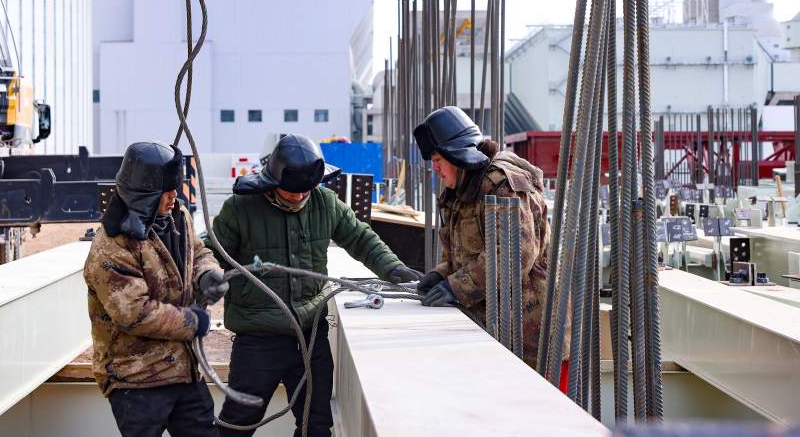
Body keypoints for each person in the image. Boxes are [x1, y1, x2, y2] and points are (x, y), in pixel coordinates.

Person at [207, 134, 420, 437]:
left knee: (316, 426)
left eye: (305, 192)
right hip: (257, 340)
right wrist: (207, 276)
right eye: (291, 192)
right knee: (236, 425)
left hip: (310, 338)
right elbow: (210, 252)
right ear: (272, 180)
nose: (298, 198)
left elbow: (360, 238)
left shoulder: (325, 203)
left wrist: (394, 268)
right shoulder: (240, 209)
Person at [412, 106, 569, 387]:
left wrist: (455, 287)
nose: (434, 168)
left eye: (437, 160)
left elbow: (514, 256)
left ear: (456, 155)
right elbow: (463, 255)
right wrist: (440, 275)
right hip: (497, 329)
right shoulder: (459, 191)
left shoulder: (501, 186)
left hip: (533, 339)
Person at [84, 141, 230, 437]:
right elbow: (135, 313)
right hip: (136, 378)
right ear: (142, 193)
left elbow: (198, 252)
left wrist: (207, 273)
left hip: (184, 371)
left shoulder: (178, 217)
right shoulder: (111, 247)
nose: (174, 195)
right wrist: (193, 322)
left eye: (175, 188)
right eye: (166, 190)